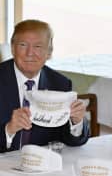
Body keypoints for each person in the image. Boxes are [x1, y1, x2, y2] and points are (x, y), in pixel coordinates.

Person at [0, 19, 89, 152]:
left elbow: (71, 140)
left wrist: (76, 122)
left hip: (42, 166)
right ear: (12, 48)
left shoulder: (60, 84)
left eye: (38, 47)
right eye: (23, 45)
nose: (30, 53)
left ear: (49, 52)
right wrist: (8, 129)